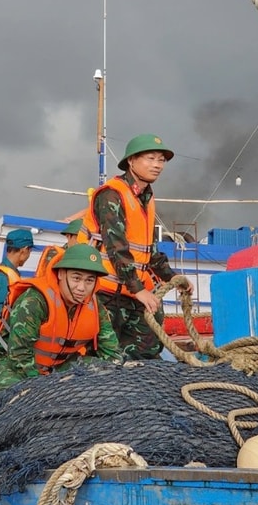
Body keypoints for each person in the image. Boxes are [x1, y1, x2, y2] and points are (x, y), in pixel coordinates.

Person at [77, 133, 191, 360]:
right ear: (131, 161)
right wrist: (139, 289)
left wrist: (173, 278)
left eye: (161, 160)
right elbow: (116, 247)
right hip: (102, 295)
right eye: (150, 158)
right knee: (102, 359)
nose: (157, 165)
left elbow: (150, 250)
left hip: (129, 295)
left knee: (147, 352)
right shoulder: (112, 195)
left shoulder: (146, 198)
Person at [0, 244, 121, 392]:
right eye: (76, 278)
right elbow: (19, 355)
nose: (81, 288)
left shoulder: (95, 308)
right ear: (61, 274)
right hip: (8, 361)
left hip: (56, 365)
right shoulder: (34, 301)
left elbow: (111, 351)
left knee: (104, 369)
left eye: (89, 281)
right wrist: (43, 390)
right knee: (18, 392)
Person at [0, 228, 34, 347]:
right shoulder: (2, 276)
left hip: (1, 338)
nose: (28, 256)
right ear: (24, 250)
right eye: (29, 252)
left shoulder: (11, 273)